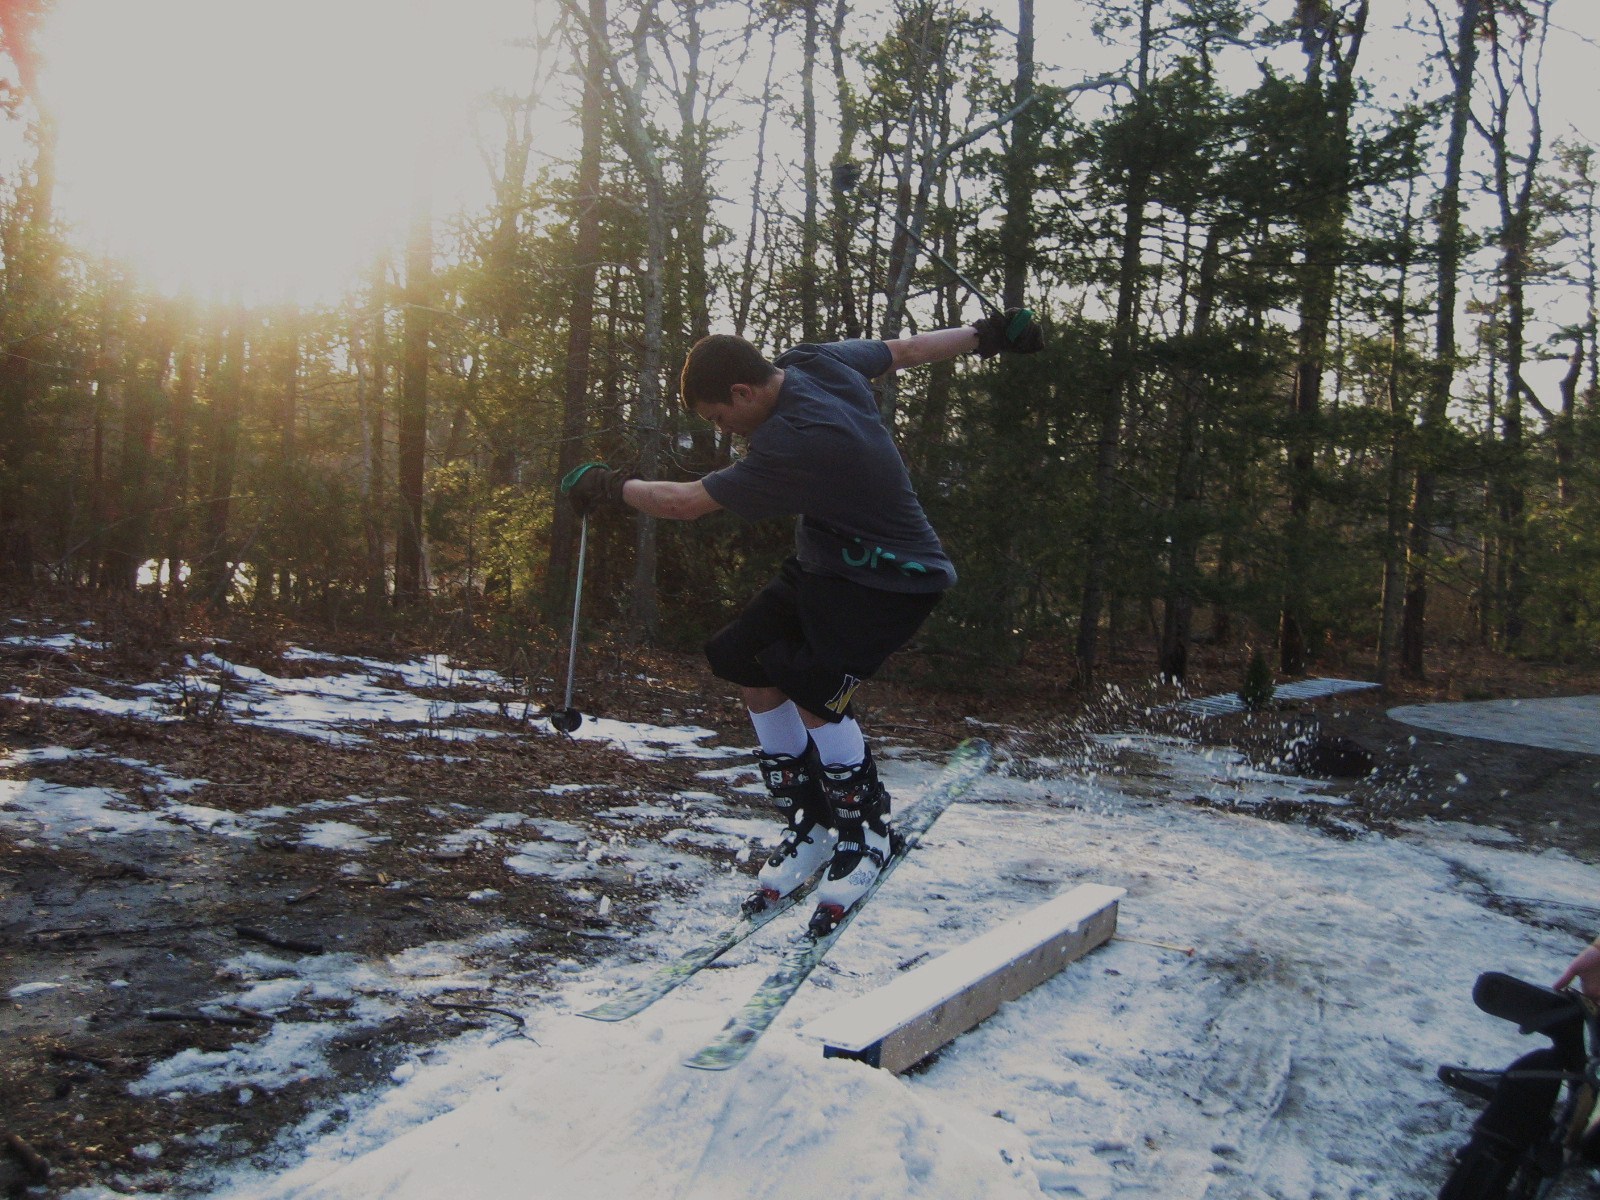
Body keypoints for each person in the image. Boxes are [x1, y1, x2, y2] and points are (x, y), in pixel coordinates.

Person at [562, 310, 1042, 928]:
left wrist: (610, 487)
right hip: (827, 565)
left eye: (719, 418)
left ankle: (866, 832)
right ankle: (812, 822)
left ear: (741, 391)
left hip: (896, 580)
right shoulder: (812, 360)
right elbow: (906, 351)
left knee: (814, 682)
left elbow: (685, 505)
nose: (726, 431)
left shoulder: (801, 440)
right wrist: (987, 335)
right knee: (739, 655)